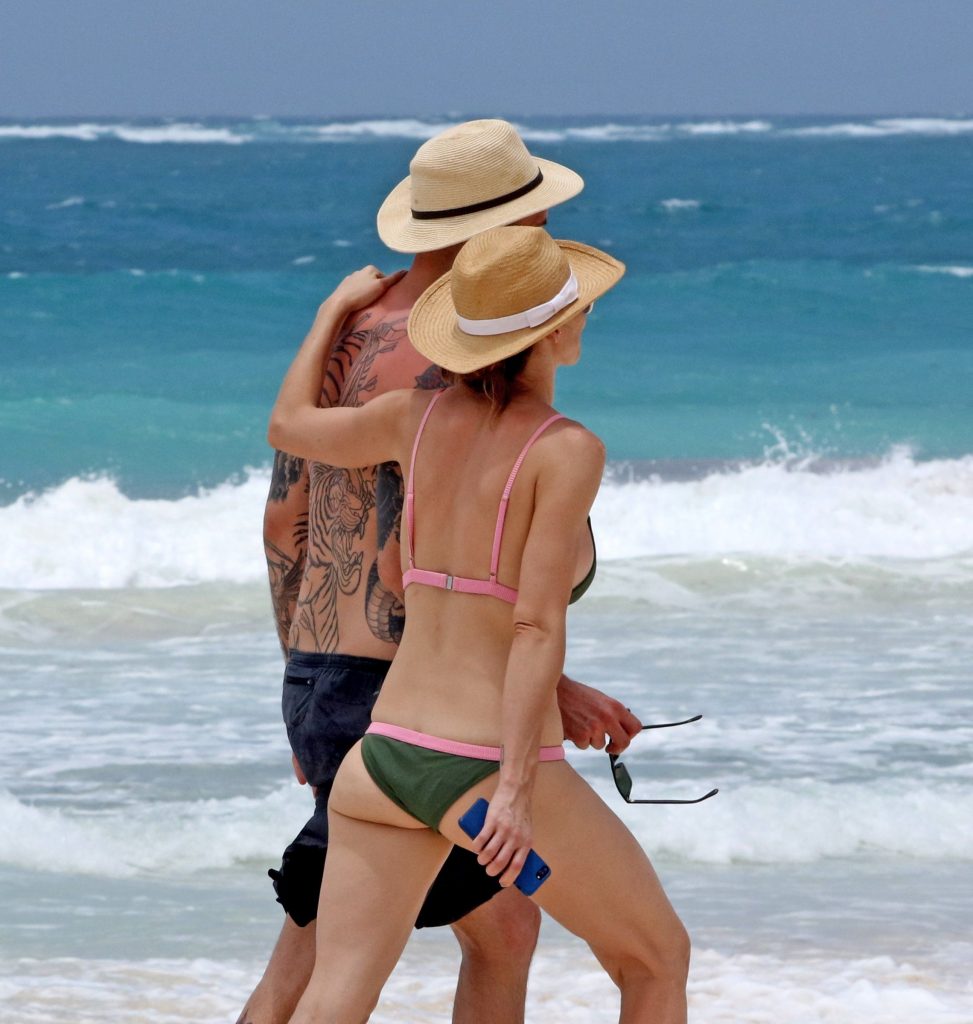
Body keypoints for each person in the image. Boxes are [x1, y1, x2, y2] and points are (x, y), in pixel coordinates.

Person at [244, 121, 643, 1024]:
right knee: (320, 965)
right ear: (490, 228)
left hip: (338, 681)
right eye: (534, 207)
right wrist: (546, 694)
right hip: (417, 704)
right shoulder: (459, 376)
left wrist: (305, 682)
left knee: (427, 943)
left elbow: (286, 516)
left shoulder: (359, 324)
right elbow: (425, 563)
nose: (546, 219)